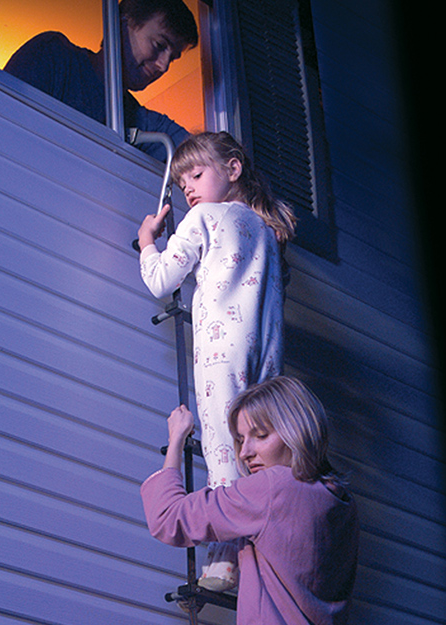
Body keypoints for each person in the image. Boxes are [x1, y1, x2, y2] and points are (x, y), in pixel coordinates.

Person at [137, 131, 296, 591]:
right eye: (182, 180)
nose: (187, 188)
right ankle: (259, 553)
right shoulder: (266, 229)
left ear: (232, 169)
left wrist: (148, 241)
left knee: (222, 449)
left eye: (196, 174)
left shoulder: (205, 216)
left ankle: (224, 558)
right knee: (257, 452)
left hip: (221, 351)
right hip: (266, 357)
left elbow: (162, 281)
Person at [141, 376, 359, 624]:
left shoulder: (273, 487)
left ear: (296, 432)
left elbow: (168, 517)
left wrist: (176, 440)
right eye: (241, 439)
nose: (245, 453)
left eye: (261, 435)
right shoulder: (342, 502)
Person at [3, 0, 198, 161]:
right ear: (122, 24)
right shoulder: (54, 56)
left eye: (172, 58)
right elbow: (2, 126)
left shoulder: (143, 121)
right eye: (159, 45)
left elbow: (205, 158)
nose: (163, 66)